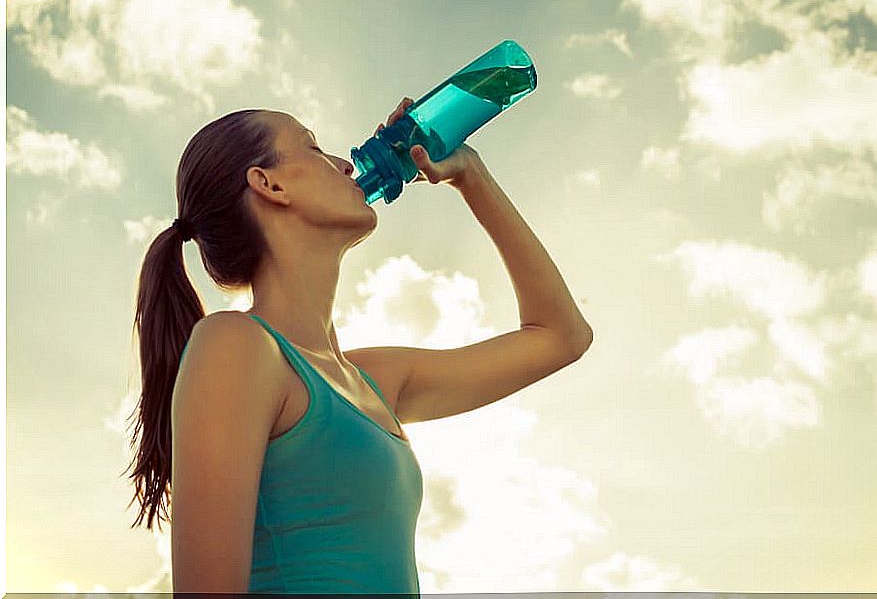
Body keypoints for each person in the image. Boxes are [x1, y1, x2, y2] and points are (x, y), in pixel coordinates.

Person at [125, 96, 594, 594]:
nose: (345, 162)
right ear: (270, 184)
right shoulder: (236, 345)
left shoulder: (373, 381)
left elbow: (562, 336)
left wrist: (470, 176)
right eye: (312, 147)